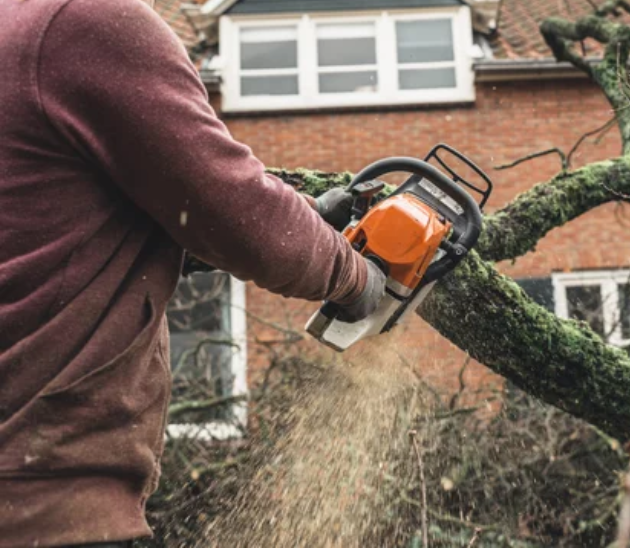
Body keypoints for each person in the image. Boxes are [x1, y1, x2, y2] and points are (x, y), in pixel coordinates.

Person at [0, 0, 386, 545]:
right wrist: (358, 279)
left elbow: (56, 228)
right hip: (44, 501)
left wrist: (305, 219)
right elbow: (229, 208)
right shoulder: (83, 21)